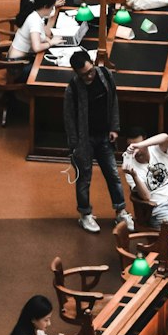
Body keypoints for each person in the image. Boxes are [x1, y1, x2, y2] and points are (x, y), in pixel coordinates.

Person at [64, 51, 133, 234]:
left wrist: (114, 128)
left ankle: (121, 210)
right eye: (84, 74)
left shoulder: (105, 76)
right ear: (76, 73)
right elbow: (69, 119)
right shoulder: (73, 88)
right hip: (84, 140)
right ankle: (85, 214)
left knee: (113, 175)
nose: (89, 76)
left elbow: (113, 102)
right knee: (84, 179)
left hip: (104, 136)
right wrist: (75, 146)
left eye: (90, 71)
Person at [122, 132, 168, 228]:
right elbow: (146, 196)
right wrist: (134, 175)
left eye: (138, 146)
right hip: (160, 205)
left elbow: (165, 137)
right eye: (131, 147)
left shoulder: (157, 150)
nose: (136, 151)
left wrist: (139, 145)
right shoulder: (130, 167)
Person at [8, 0, 57, 82]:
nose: (52, 10)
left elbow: (40, 36)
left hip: (19, 60)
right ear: (45, 7)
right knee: (46, 71)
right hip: (17, 66)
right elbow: (36, 47)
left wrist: (49, 40)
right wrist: (51, 43)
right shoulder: (35, 20)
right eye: (52, 7)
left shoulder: (35, 14)